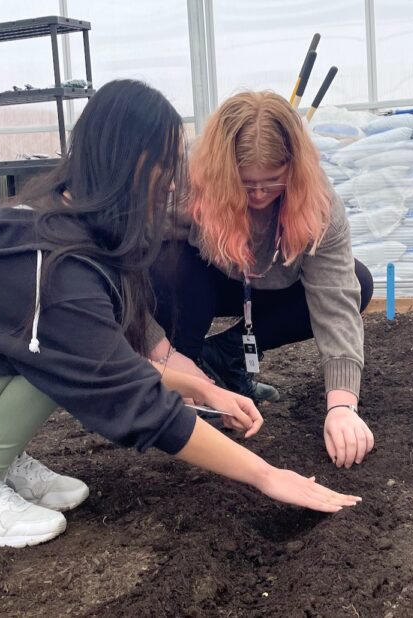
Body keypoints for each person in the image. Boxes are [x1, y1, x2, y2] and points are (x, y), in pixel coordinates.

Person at [0, 80, 361, 551]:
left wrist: (203, 389)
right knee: (46, 354)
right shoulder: (57, 270)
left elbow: (101, 354)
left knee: (44, 349)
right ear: (135, 165)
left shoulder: (61, 222)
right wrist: (266, 475)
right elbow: (127, 394)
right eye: (169, 162)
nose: (176, 178)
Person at [149, 90, 375, 470]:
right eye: (245, 183)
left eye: (271, 182)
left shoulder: (319, 204)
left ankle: (226, 357)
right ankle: (181, 379)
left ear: (293, 167)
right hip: (205, 281)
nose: (257, 194)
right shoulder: (188, 187)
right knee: (169, 261)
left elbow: (335, 302)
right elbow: (123, 272)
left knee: (357, 280)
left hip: (269, 288)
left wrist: (342, 405)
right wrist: (163, 354)